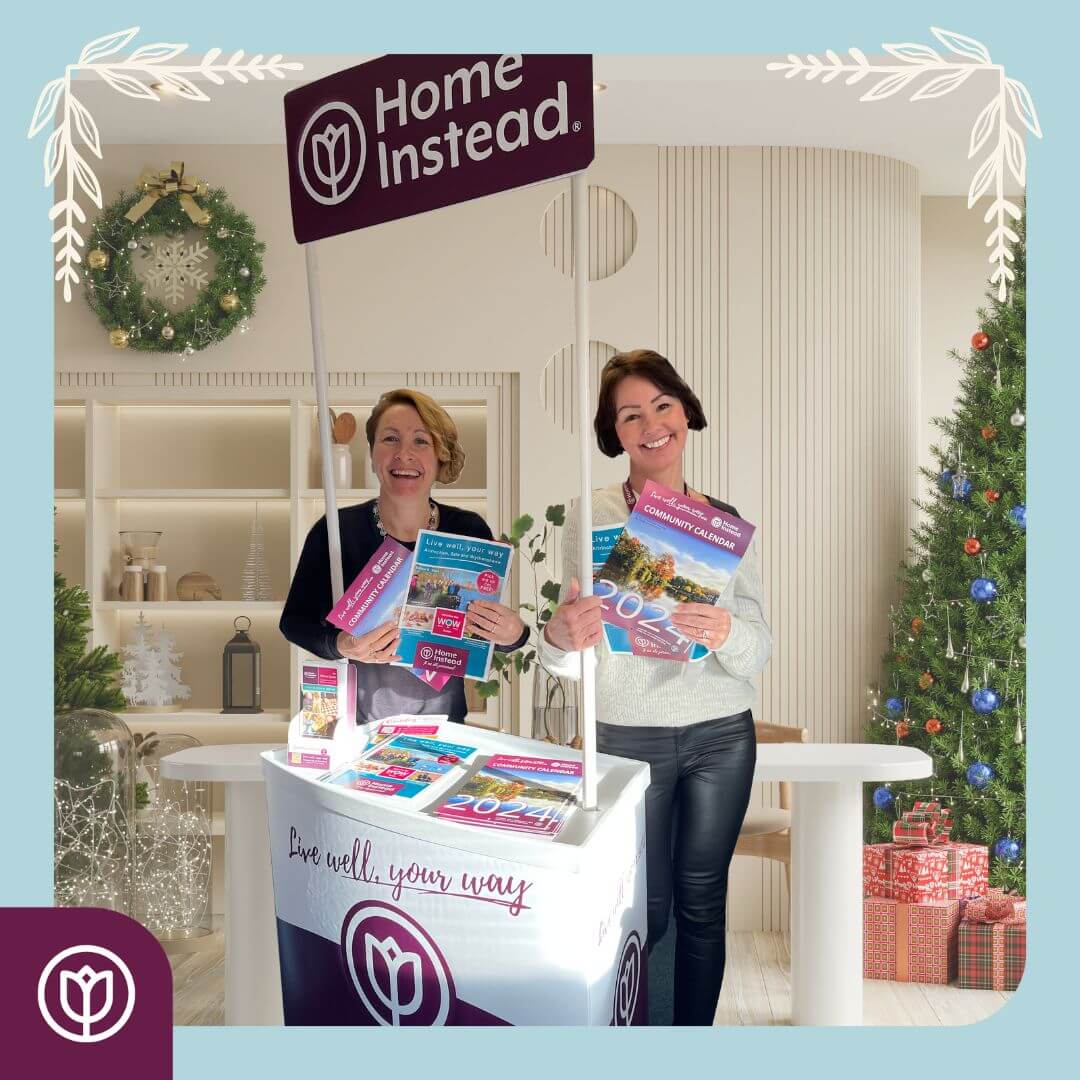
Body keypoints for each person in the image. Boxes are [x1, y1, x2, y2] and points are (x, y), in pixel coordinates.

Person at [537, 349, 771, 1026]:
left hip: (721, 734)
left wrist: (727, 631)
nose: (650, 424)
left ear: (687, 414)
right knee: (647, 905)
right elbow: (573, 655)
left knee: (703, 902)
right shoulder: (590, 518)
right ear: (615, 435)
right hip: (626, 735)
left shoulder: (724, 525)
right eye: (630, 415)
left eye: (662, 406)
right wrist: (557, 639)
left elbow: (758, 649)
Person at [281, 388, 529, 723]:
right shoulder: (337, 530)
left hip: (443, 729)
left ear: (440, 455)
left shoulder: (467, 530)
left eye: (421, 442)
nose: (404, 454)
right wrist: (342, 644)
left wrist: (514, 634)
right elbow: (294, 623)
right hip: (349, 729)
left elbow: (481, 637)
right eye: (390, 439)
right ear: (371, 454)